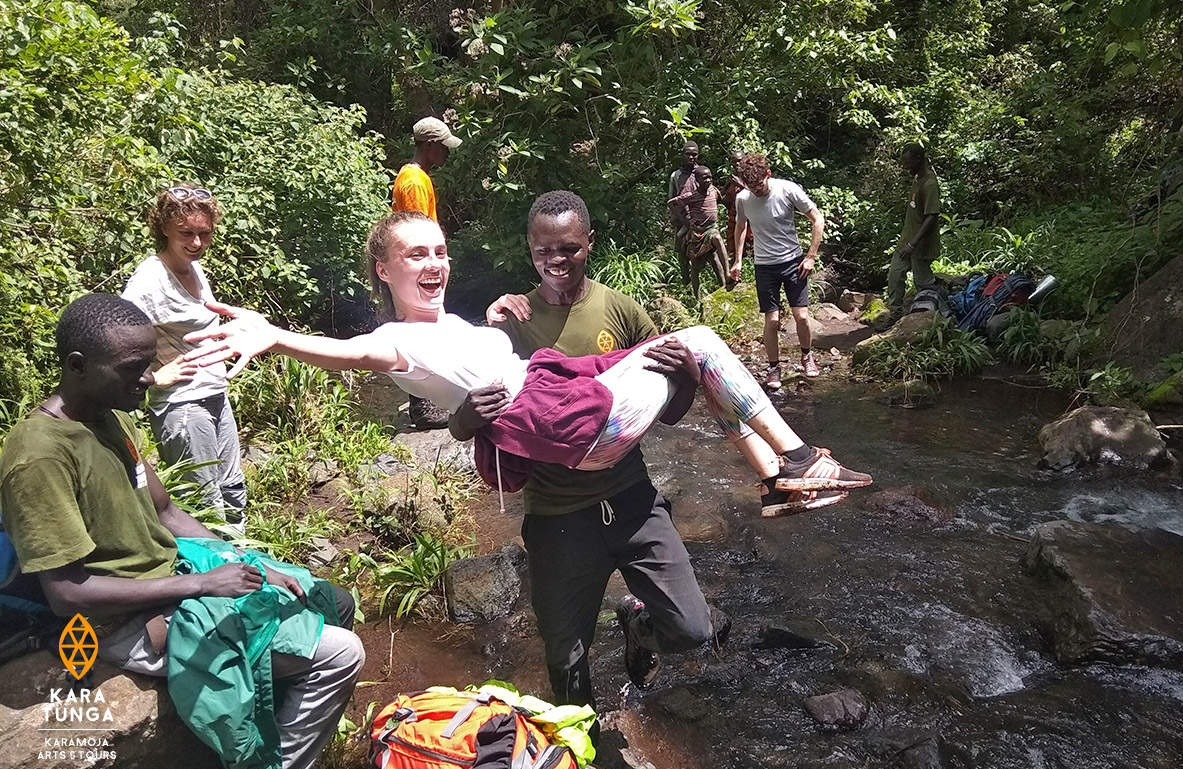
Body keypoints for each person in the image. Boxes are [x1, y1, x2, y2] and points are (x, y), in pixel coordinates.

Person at [450, 192, 868, 713]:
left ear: (590, 244)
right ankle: (585, 760)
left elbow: (666, 410)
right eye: (543, 251)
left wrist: (690, 378)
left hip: (632, 499)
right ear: (529, 250)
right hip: (556, 515)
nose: (556, 260)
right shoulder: (511, 319)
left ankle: (639, 626)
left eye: (569, 248)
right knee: (565, 657)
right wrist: (467, 415)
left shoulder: (619, 310)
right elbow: (466, 419)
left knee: (693, 631)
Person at [186, 211, 870, 513]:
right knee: (701, 341)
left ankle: (777, 478)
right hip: (571, 429)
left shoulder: (455, 322)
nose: (433, 263)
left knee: (703, 367)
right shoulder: (395, 340)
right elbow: (349, 354)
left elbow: (484, 365)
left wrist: (492, 326)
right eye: (414, 254)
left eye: (438, 251)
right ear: (383, 268)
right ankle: (800, 458)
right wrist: (274, 336)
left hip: (573, 413)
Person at [0, 294, 365, 769]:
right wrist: (203, 585)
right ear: (78, 367)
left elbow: (167, 513)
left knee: (327, 599)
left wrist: (247, 562)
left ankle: (263, 749)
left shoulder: (108, 415)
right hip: (114, 619)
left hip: (171, 580)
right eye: (133, 369)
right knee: (340, 654)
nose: (149, 378)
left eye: (148, 364)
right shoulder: (40, 456)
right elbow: (67, 593)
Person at [121, 184, 246, 531]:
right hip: (183, 406)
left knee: (233, 491)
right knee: (204, 505)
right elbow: (115, 337)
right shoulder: (150, 280)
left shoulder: (194, 268)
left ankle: (251, 569)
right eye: (186, 234)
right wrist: (152, 378)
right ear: (164, 228)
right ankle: (218, 578)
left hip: (214, 394)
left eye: (204, 234)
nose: (196, 243)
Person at [731, 153, 826, 388]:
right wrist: (738, 260)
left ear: (768, 175)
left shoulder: (787, 190)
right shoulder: (743, 198)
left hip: (793, 261)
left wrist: (811, 256)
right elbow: (741, 227)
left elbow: (817, 219)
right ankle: (774, 368)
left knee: (802, 317)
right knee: (771, 321)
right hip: (764, 265)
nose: (756, 191)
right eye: (750, 187)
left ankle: (806, 356)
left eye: (759, 185)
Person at [392, 115, 462, 430]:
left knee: (428, 330)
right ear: (431, 145)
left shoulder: (417, 177)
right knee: (423, 330)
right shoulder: (414, 182)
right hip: (419, 271)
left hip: (420, 269)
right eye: (444, 147)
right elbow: (415, 232)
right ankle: (422, 408)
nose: (447, 153)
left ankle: (427, 400)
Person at [887, 143, 941, 321]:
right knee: (895, 275)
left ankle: (933, 317)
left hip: (920, 245)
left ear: (919, 159)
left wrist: (914, 243)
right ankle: (894, 315)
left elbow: (931, 216)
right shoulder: (917, 179)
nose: (905, 167)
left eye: (908, 163)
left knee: (924, 283)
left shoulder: (930, 184)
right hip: (906, 241)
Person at [667, 165, 731, 299]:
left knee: (717, 242)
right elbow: (672, 203)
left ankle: (727, 277)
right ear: (697, 181)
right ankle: (697, 298)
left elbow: (721, 200)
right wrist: (685, 221)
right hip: (698, 232)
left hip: (711, 229)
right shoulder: (692, 195)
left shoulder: (713, 191)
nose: (708, 180)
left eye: (710, 177)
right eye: (704, 178)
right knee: (696, 267)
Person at [667, 141, 701, 284]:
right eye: (688, 154)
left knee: (701, 252)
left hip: (700, 220)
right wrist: (679, 218)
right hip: (682, 220)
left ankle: (699, 284)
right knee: (682, 253)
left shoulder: (702, 173)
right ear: (683, 155)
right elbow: (671, 199)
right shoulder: (676, 176)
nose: (691, 157)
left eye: (694, 155)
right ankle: (686, 284)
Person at [721, 151, 751, 260]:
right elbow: (726, 202)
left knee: (749, 247)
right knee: (733, 246)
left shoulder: (751, 177)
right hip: (734, 218)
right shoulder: (732, 180)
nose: (737, 164)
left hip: (750, 217)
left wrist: (741, 184)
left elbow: (756, 195)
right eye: (734, 163)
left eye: (739, 161)